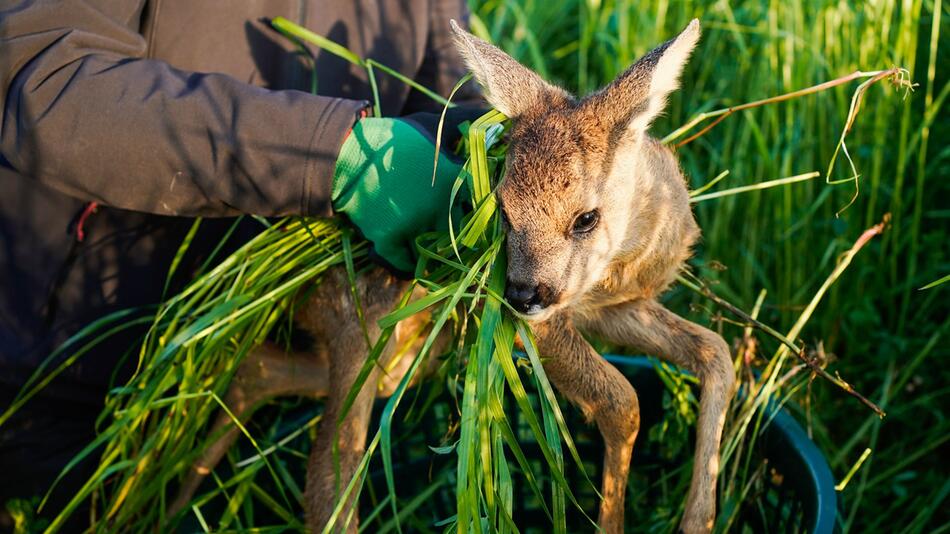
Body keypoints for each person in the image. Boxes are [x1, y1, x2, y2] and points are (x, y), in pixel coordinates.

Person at [0, 0, 481, 527]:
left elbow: (452, 104)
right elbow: (43, 75)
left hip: (263, 397)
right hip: (62, 364)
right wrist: (333, 154)